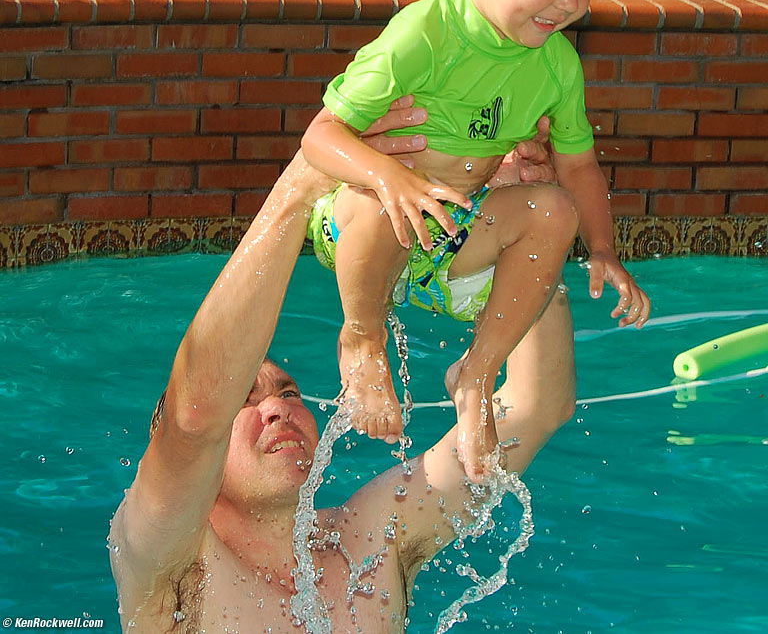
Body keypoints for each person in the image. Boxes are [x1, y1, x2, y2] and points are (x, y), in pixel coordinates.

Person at [108, 100, 577, 633]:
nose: (277, 409)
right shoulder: (166, 560)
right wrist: (304, 182)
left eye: (288, 393)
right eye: (245, 399)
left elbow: (538, 408)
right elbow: (193, 419)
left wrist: (528, 252)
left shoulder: (370, 541)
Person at [300, 0, 650, 482]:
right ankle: (362, 336)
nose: (569, 4)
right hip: (358, 228)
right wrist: (388, 176)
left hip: (454, 239)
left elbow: (578, 168)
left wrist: (603, 248)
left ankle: (477, 374)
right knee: (381, 202)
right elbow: (321, 137)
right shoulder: (422, 36)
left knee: (554, 210)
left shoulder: (555, 64)